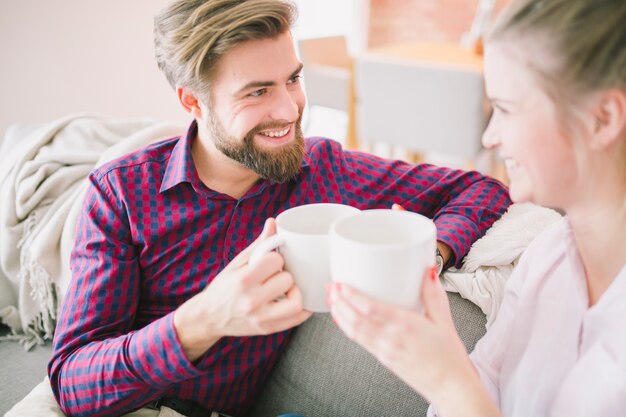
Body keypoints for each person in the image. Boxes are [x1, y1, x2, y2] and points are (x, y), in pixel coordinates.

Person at [46, 1, 510, 416]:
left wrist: (428, 258)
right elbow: (71, 382)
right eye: (256, 92)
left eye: (292, 79)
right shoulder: (122, 194)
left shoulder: (324, 171)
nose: (290, 110)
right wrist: (206, 318)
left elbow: (478, 189)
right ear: (192, 100)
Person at [328, 0, 626, 415]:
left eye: (503, 109)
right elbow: (487, 379)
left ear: (602, 118)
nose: (488, 138)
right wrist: (442, 350)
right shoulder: (550, 254)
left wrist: (448, 382)